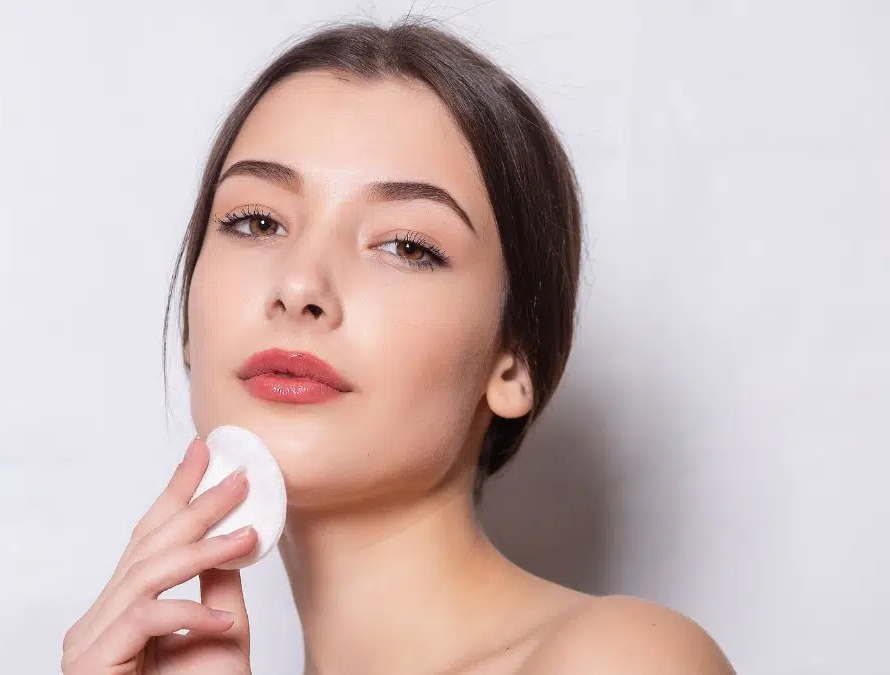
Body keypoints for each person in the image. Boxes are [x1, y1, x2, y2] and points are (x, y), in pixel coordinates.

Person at [60, 17, 734, 675]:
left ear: (514, 362)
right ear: (190, 325)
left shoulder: (624, 660)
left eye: (407, 246)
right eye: (257, 221)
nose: (298, 284)